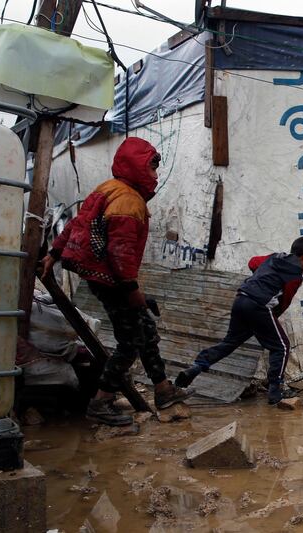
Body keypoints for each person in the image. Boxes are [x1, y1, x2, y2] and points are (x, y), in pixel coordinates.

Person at [41, 137, 193, 426]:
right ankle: (101, 400)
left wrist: (55, 251)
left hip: (102, 275)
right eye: (151, 168)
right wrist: (131, 289)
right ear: (137, 166)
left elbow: (77, 223)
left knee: (145, 328)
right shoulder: (128, 201)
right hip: (112, 279)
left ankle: (162, 390)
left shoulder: (108, 189)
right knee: (131, 342)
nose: (155, 175)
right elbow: (120, 252)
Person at [175, 237, 303, 404]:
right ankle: (275, 391)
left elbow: (253, 263)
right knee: (281, 346)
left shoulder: (274, 257)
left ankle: (196, 368)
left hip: (241, 299)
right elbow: (284, 302)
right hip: (259, 306)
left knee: (229, 342)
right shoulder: (296, 275)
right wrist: (270, 318)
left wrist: (263, 277)